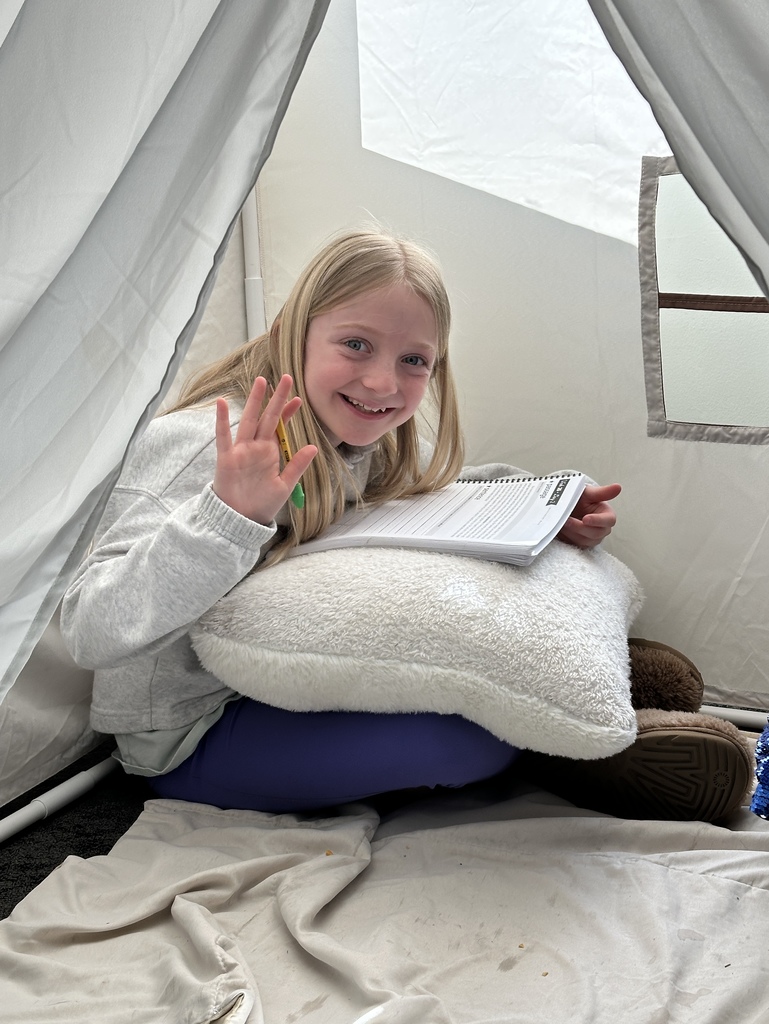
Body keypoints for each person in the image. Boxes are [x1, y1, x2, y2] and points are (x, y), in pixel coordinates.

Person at [58, 229, 669, 815]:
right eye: (355, 345)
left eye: (414, 360)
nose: (382, 382)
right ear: (290, 334)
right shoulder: (206, 447)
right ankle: (601, 750)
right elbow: (90, 627)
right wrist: (228, 516)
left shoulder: (364, 438)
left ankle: (622, 702)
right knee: (468, 743)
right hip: (189, 732)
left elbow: (436, 489)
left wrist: (551, 506)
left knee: (505, 672)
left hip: (307, 682)